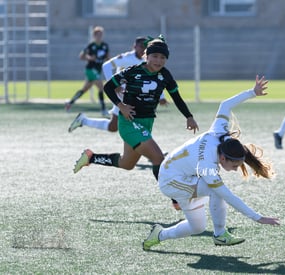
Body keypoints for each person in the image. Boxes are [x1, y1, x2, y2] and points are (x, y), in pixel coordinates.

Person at [142, 75, 280, 251]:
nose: (236, 169)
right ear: (222, 158)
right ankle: (220, 235)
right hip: (171, 180)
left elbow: (225, 105)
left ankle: (159, 235)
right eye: (235, 166)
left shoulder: (220, 131)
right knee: (218, 192)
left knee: (197, 227)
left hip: (182, 175)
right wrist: (257, 217)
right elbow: (228, 195)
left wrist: (252, 92)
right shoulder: (208, 165)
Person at [72, 37, 199, 210]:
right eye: (155, 56)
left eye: (163, 58)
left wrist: (189, 116)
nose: (159, 61)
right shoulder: (132, 71)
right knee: (158, 158)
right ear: (146, 56)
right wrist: (121, 106)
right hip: (129, 123)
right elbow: (109, 87)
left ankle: (91, 157)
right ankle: (176, 199)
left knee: (127, 164)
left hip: (146, 123)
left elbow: (176, 97)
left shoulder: (165, 75)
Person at [68, 36, 168, 133]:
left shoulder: (148, 60)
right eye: (141, 46)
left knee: (114, 126)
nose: (143, 48)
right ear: (135, 46)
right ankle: (145, 148)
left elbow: (154, 78)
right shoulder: (126, 58)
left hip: (137, 95)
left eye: (145, 46)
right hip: (123, 96)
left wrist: (161, 96)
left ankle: (83, 120)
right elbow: (106, 66)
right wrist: (114, 85)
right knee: (135, 121)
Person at [65, 26, 110, 116]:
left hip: (98, 70)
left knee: (84, 89)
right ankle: (103, 109)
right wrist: (89, 58)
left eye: (101, 34)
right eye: (97, 34)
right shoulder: (91, 46)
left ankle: (69, 103)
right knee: (101, 87)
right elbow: (81, 56)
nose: (99, 36)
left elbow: (107, 58)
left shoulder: (105, 46)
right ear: (94, 35)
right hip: (90, 69)